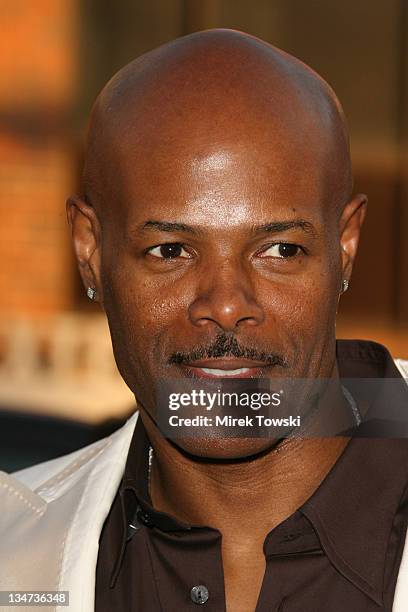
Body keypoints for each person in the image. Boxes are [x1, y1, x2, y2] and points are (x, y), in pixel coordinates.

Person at [0, 28, 407, 612]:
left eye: (281, 249)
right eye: (170, 250)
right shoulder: (12, 555)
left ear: (345, 247)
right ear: (90, 250)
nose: (224, 303)